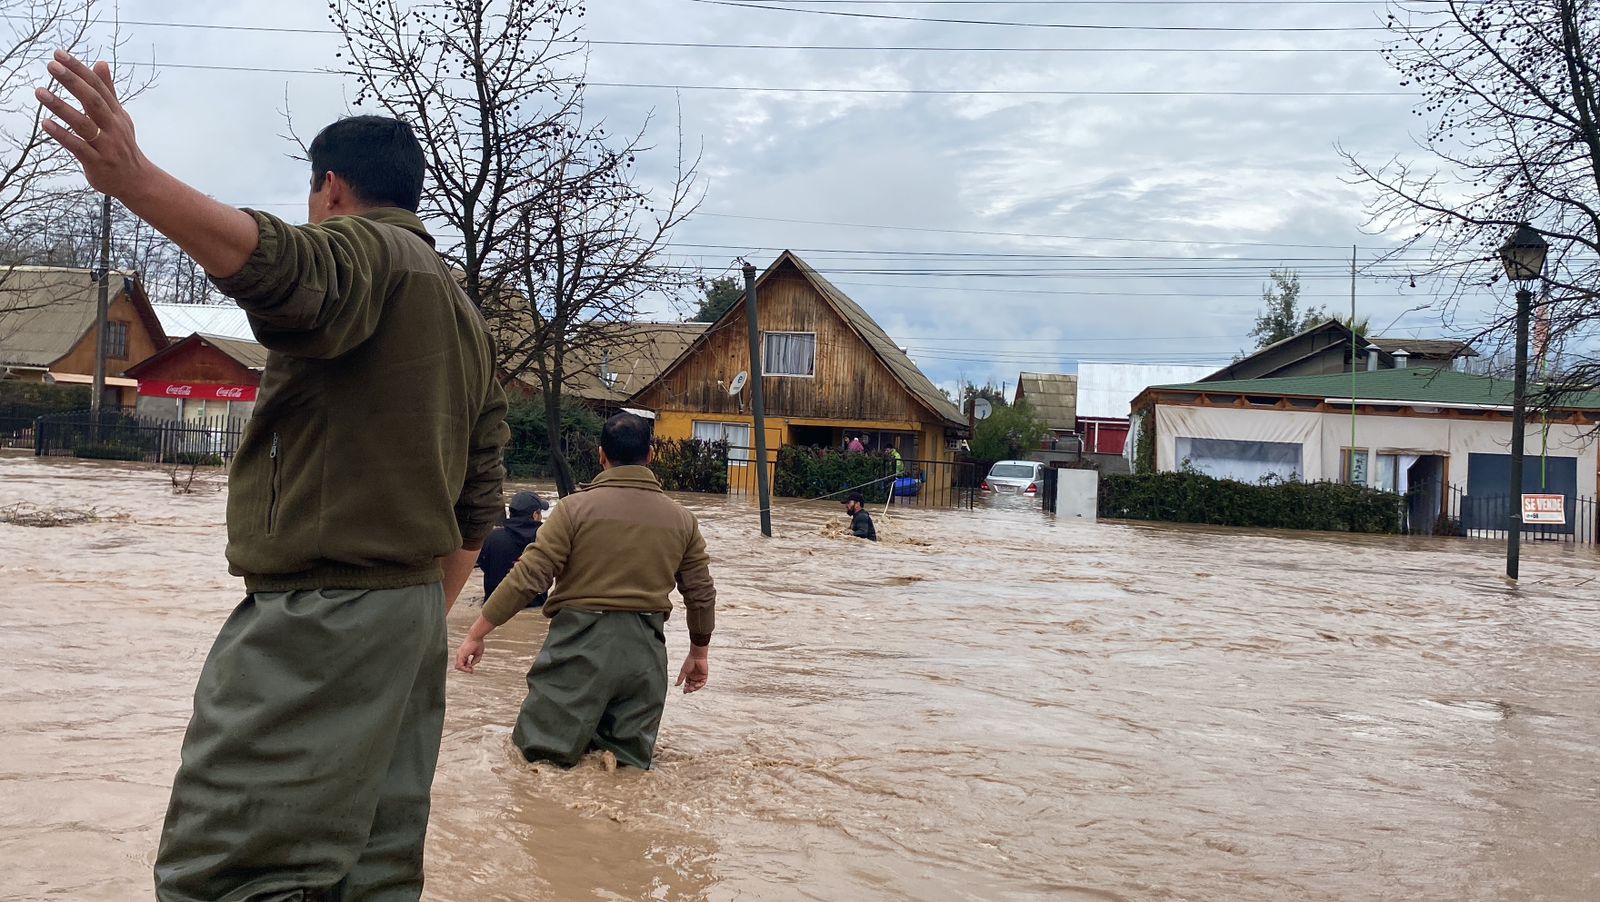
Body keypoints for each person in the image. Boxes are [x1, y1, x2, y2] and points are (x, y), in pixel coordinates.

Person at [38, 55, 510, 900]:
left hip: (325, 617)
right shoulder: (464, 314)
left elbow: (286, 268)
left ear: (331, 188)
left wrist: (136, 180)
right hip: (410, 619)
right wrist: (406, 626)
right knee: (368, 878)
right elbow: (479, 506)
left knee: (226, 874)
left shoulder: (365, 251)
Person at [454, 413, 717, 770]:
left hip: (578, 651)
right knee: (626, 774)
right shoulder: (683, 520)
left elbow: (530, 576)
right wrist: (699, 652)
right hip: (645, 659)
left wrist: (477, 632)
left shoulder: (572, 510)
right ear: (650, 455)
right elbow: (701, 593)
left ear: (601, 455)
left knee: (538, 764)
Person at [478, 490, 549, 600]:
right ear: (535, 515)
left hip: (494, 605)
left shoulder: (491, 538)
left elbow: (482, 564)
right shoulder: (545, 540)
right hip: (534, 604)